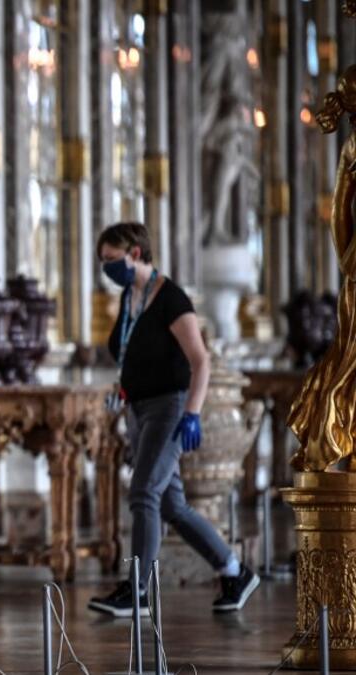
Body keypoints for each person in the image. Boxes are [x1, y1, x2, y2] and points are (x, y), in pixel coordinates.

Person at [87, 222, 257, 618]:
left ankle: (139, 591)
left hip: (169, 408)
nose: (107, 268)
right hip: (138, 409)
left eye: (111, 260)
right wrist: (122, 390)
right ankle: (235, 571)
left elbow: (201, 361)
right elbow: (130, 353)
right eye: (102, 261)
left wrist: (192, 414)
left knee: (144, 493)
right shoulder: (131, 296)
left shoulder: (171, 298)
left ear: (134, 254)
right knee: (172, 505)